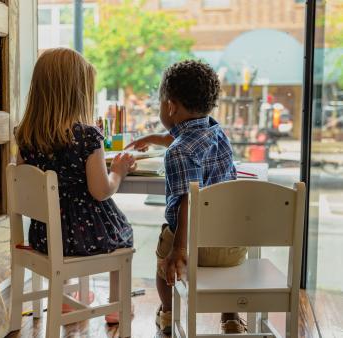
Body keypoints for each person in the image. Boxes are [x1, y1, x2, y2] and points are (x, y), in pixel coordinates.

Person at [14, 47, 135, 324]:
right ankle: (117, 308)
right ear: (77, 92)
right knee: (123, 231)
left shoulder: (26, 137)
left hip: (43, 237)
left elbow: (25, 182)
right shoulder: (87, 136)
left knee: (68, 224)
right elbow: (100, 191)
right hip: (84, 236)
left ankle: (68, 301)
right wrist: (117, 171)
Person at [126, 60, 247, 334]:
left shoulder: (178, 153)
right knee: (223, 266)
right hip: (230, 250)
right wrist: (154, 138)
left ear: (170, 106)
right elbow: (188, 138)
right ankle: (230, 317)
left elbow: (188, 202)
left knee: (161, 264)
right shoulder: (217, 132)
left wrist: (178, 251)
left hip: (192, 249)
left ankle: (168, 313)